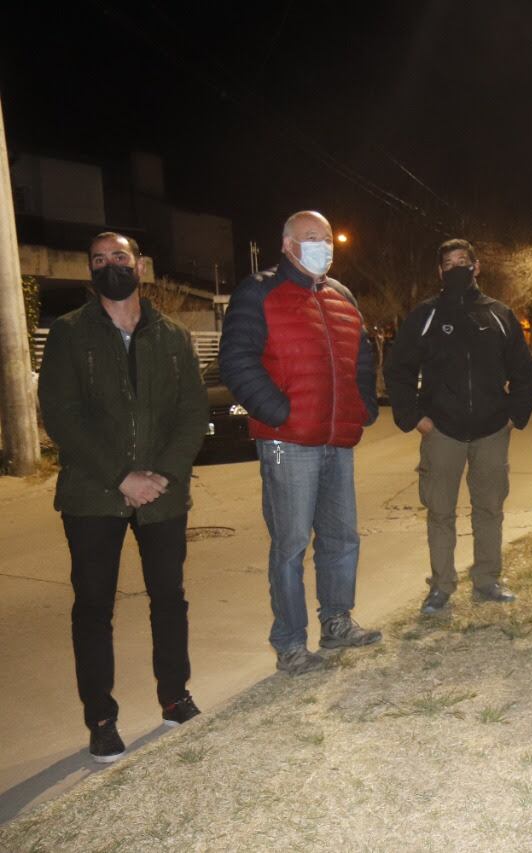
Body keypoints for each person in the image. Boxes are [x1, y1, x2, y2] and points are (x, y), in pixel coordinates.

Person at [38, 232, 207, 762]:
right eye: (99, 260)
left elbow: (191, 412)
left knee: (169, 598)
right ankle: (102, 719)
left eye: (119, 258)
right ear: (91, 272)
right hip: (93, 495)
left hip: (162, 492)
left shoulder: (173, 335)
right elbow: (62, 415)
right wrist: (121, 477)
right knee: (92, 607)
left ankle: (175, 695)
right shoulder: (69, 333)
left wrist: (164, 475)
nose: (109, 266)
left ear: (140, 266)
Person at [220, 210, 382, 677]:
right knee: (290, 546)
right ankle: (290, 644)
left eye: (328, 238)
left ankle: (337, 622)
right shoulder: (259, 291)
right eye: (313, 238)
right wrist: (279, 413)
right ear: (288, 244)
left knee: (341, 538)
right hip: (288, 442)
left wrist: (363, 406)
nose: (323, 245)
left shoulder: (341, 295)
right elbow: (236, 361)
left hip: (337, 438)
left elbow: (363, 357)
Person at [384, 238, 532, 613]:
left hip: (491, 430)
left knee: (489, 508)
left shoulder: (499, 314)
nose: (457, 268)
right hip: (442, 431)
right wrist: (414, 418)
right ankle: (441, 585)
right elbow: (397, 368)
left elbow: (524, 371)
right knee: (440, 512)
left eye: (463, 261)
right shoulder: (426, 315)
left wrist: (513, 417)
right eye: (449, 263)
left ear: (477, 267)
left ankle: (487, 579)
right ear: (439, 271)